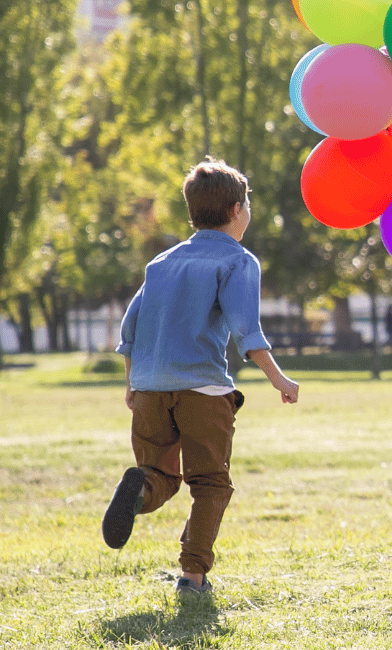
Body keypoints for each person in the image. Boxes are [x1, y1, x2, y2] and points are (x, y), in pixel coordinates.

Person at [103, 159, 301, 595]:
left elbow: (129, 329)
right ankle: (192, 576)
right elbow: (247, 332)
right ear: (235, 210)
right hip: (202, 389)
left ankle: (141, 487)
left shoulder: (162, 262)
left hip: (151, 387)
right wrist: (280, 379)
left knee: (161, 476)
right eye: (247, 204)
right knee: (210, 483)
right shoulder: (238, 261)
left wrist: (132, 384)